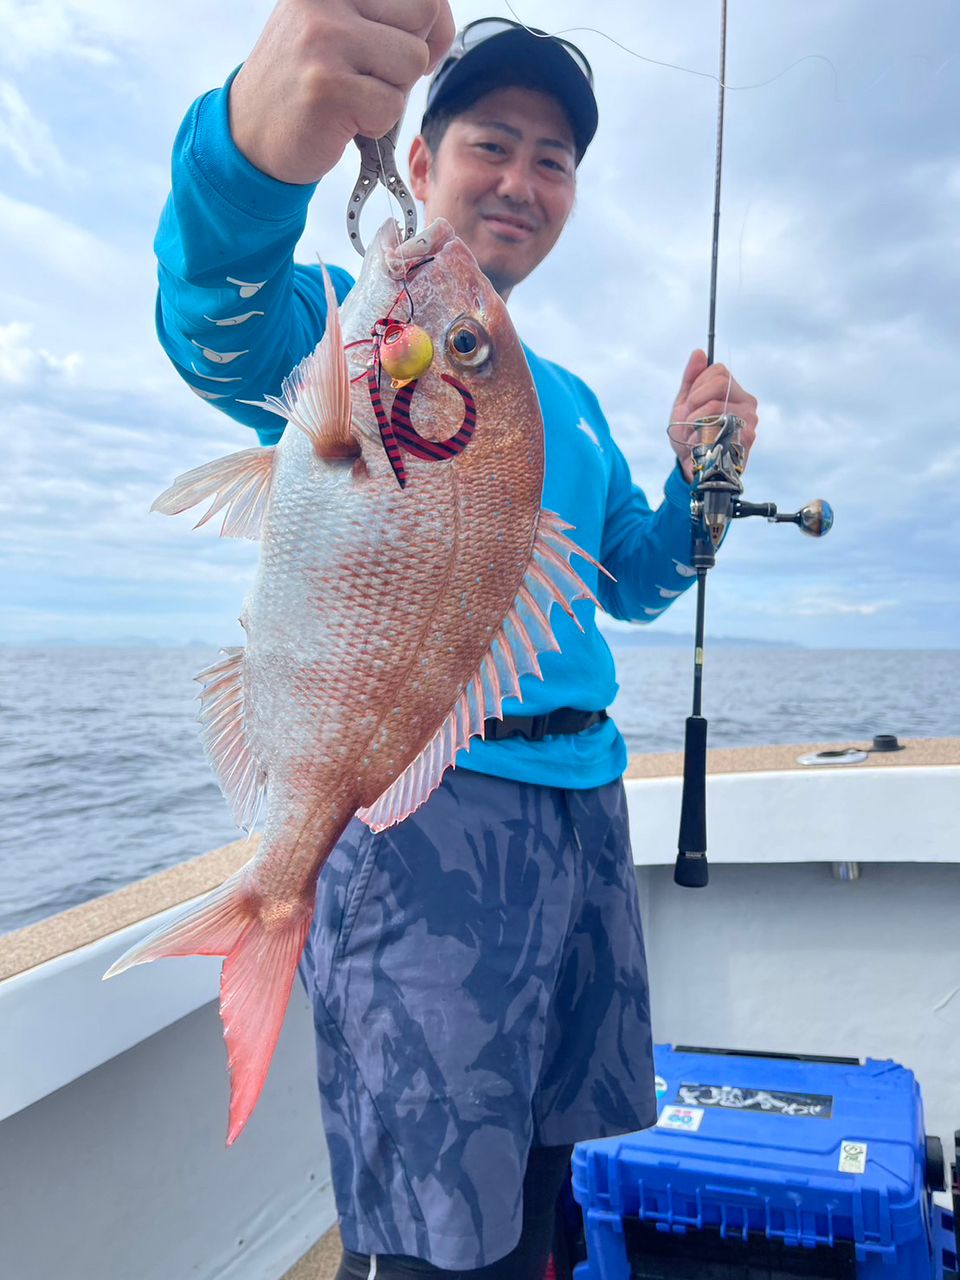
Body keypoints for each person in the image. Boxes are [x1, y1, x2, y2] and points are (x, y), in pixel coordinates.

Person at [154, 5, 759, 1277]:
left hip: (584, 814)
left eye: (555, 159)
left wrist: (702, 485)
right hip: (424, 821)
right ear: (416, 164)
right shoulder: (353, 334)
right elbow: (216, 305)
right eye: (493, 141)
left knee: (551, 1165)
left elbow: (636, 582)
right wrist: (259, 145)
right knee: (436, 1229)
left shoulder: (563, 404)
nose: (524, 180)